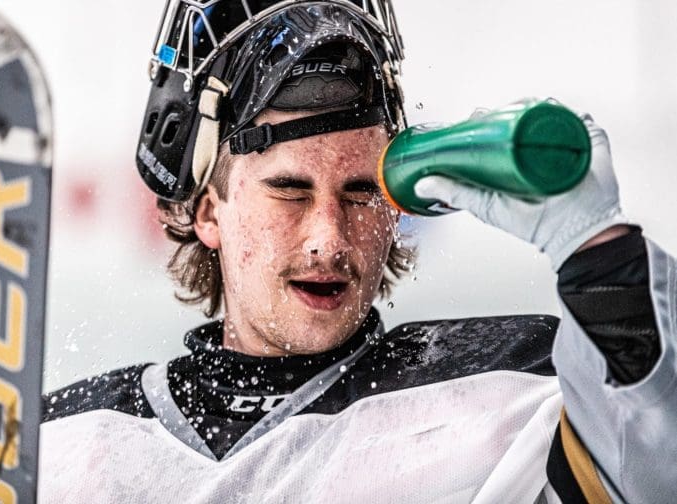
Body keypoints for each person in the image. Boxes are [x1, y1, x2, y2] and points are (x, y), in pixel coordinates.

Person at [39, 1, 676, 502]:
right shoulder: (61, 440)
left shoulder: (516, 389)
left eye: (361, 192)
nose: (329, 237)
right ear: (209, 211)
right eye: (289, 190)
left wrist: (600, 253)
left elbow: (655, 464)